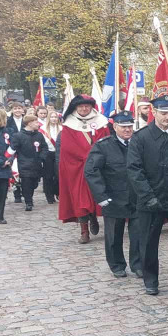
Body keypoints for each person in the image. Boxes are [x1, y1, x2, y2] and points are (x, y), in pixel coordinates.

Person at [127, 95, 168, 297]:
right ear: (153, 112)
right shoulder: (140, 137)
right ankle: (151, 280)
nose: (167, 117)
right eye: (163, 113)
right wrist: (148, 196)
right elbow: (134, 170)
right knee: (148, 242)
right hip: (151, 199)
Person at [84, 111, 141, 278]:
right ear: (115, 127)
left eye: (130, 126)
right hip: (113, 197)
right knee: (114, 235)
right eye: (123, 127)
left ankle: (138, 265)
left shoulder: (139, 142)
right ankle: (117, 265)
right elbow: (91, 171)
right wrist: (100, 196)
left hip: (137, 196)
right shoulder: (103, 145)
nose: (127, 130)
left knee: (138, 234)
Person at [57, 95, 109, 244]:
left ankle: (94, 217)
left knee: (98, 195)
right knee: (80, 198)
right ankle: (84, 230)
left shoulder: (101, 122)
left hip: (98, 166)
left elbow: (106, 142)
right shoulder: (69, 125)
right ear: (75, 108)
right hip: (77, 167)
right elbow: (68, 148)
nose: (84, 109)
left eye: (87, 106)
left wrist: (97, 158)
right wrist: (87, 158)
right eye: (81, 106)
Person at [11, 114, 47, 211]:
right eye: (36, 122)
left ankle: (29, 197)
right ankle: (28, 202)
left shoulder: (39, 135)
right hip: (24, 163)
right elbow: (14, 149)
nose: (38, 124)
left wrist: (42, 157)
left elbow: (44, 147)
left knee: (34, 183)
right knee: (26, 183)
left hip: (37, 163)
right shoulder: (18, 136)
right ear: (29, 123)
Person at [40, 110, 61, 204]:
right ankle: (49, 196)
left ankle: (57, 192)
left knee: (58, 175)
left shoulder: (61, 128)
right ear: (49, 118)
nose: (54, 119)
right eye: (52, 117)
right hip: (48, 154)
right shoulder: (43, 129)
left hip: (59, 154)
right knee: (48, 176)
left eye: (55, 117)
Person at [7, 103, 25, 204]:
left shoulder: (26, 120)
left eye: (19, 108)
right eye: (15, 109)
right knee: (14, 172)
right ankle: (17, 193)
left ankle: (25, 191)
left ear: (22, 110)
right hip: (12, 148)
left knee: (24, 172)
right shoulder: (8, 121)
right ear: (12, 110)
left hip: (24, 148)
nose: (17, 110)